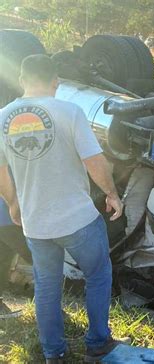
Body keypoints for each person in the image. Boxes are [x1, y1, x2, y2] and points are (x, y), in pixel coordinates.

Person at [0, 54, 124, 362]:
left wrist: (13, 204)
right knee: (98, 274)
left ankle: (53, 352)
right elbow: (94, 161)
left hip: (36, 223)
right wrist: (112, 193)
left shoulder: (2, 117)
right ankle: (97, 343)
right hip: (77, 220)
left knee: (46, 285)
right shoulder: (70, 111)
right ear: (55, 81)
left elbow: (1, 171)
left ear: (22, 80)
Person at [0, 197, 31, 317]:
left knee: (3, 259)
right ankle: (51, 311)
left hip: (7, 215)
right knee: (43, 260)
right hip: (12, 216)